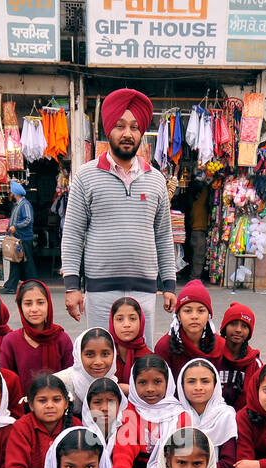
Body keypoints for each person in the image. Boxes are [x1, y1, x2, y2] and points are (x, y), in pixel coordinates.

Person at [62, 87, 176, 346]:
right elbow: (72, 234)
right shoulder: (85, 176)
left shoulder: (156, 180)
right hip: (99, 291)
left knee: (140, 362)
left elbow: (163, 237)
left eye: (135, 127)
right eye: (120, 126)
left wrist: (169, 284)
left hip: (145, 291)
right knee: (100, 358)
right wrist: (72, 286)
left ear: (141, 133)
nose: (127, 134)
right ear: (108, 130)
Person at [0, 279, 73, 383]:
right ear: (20, 307)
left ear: (49, 304)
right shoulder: (10, 341)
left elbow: (71, 378)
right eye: (28, 304)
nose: (34, 309)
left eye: (40, 303)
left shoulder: (62, 339)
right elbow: (6, 382)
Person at [175, 357, 238, 468]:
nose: (198, 387)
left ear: (215, 385)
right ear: (181, 385)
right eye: (191, 381)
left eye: (205, 381)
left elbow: (229, 465)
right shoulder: (174, 416)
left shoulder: (226, 415)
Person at [155, 279, 224, 379]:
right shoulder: (164, 346)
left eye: (201, 311)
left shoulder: (221, 345)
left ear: (208, 316)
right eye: (188, 311)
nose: (194, 316)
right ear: (178, 316)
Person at [57, 328, 117, 416]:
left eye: (105, 354)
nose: (98, 362)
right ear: (78, 355)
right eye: (90, 355)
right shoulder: (60, 385)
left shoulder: (113, 383)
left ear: (114, 354)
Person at [218, 301, 261, 409]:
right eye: (233, 324)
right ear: (224, 327)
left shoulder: (254, 363)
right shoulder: (212, 356)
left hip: (242, 418)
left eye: (244, 326)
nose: (238, 330)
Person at [2, 180, 38, 292]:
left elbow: (28, 219)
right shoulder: (18, 205)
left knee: (27, 262)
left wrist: (15, 227)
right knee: (16, 261)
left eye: (11, 192)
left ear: (15, 193)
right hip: (18, 238)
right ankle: (11, 286)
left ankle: (33, 285)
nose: (9, 194)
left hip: (24, 238)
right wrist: (10, 228)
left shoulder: (25, 204)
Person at [185, 181, 212, 280]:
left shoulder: (193, 205)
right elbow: (204, 194)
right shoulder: (199, 204)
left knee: (195, 256)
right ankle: (195, 278)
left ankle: (193, 276)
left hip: (194, 233)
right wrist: (206, 181)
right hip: (199, 233)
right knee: (199, 256)